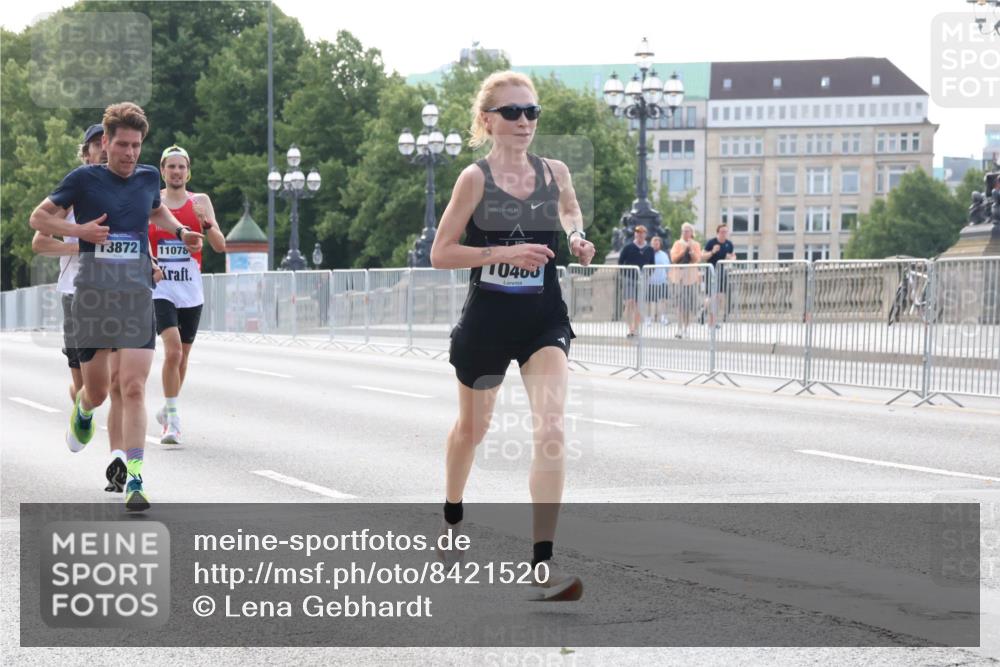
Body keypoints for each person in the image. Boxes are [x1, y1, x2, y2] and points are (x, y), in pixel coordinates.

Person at [430, 71, 596, 602]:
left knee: (551, 429)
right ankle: (453, 515)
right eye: (512, 112)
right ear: (487, 120)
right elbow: (441, 253)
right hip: (488, 322)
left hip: (542, 319)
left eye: (532, 112)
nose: (524, 121)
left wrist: (576, 237)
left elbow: (569, 208)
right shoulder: (474, 180)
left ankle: (542, 562)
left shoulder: (555, 171)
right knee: (471, 431)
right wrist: (504, 253)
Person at [29, 102, 203, 512]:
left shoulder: (146, 178)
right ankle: (84, 410)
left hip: (136, 294)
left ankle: (135, 479)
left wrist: (179, 230)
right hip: (92, 297)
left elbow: (154, 208)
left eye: (136, 145)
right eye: (122, 144)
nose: (130, 153)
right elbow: (39, 220)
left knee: (135, 386)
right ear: (105, 143)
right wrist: (79, 231)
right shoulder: (83, 180)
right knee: (98, 390)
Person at [30, 123, 131, 493]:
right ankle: (84, 410)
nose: (103, 151)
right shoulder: (72, 193)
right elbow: (40, 241)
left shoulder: (126, 191)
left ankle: (118, 459)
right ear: (86, 152)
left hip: (119, 296)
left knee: (121, 383)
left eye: (107, 144)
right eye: (95, 146)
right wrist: (82, 240)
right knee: (88, 390)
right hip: (77, 295)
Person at [150, 145, 225, 445]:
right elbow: (140, 236)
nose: (177, 172)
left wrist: (205, 222)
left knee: (182, 358)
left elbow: (219, 245)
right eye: (172, 167)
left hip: (191, 290)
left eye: (182, 167)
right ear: (163, 171)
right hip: (161, 288)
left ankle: (167, 408)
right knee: (173, 351)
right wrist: (151, 263)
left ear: (188, 171)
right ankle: (173, 422)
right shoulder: (153, 201)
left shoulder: (200, 200)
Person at [617, 225, 655, 337]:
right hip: (629, 278)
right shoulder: (628, 247)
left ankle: (636, 328)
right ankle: (630, 328)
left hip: (642, 279)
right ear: (635, 234)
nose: (640, 234)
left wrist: (647, 274)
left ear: (645, 235)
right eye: (638, 232)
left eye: (642, 232)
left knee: (639, 305)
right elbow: (620, 262)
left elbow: (652, 264)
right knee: (630, 302)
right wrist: (625, 274)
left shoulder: (649, 249)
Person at [669, 222, 703, 339]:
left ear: (691, 233)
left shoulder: (696, 244)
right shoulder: (677, 244)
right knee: (679, 305)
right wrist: (683, 251)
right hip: (678, 278)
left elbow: (697, 260)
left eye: (688, 231)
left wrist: (691, 252)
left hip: (691, 278)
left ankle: (686, 328)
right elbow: (673, 259)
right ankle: (679, 328)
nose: (685, 233)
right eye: (684, 231)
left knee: (688, 305)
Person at [702, 223, 735, 328]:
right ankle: (709, 318)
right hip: (711, 271)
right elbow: (703, 257)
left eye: (726, 232)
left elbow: (731, 257)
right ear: (718, 233)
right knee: (712, 297)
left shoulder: (729, 244)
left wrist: (732, 259)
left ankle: (709, 317)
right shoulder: (711, 242)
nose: (724, 234)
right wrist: (712, 251)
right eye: (722, 232)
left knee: (720, 297)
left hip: (722, 271)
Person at [649, 235, 671, 325]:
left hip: (662, 280)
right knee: (651, 301)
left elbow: (668, 267)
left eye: (657, 243)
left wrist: (667, 276)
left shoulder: (664, 254)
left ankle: (663, 317)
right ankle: (650, 318)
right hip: (651, 281)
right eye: (654, 243)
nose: (655, 245)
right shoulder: (648, 253)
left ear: (660, 244)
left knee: (663, 300)